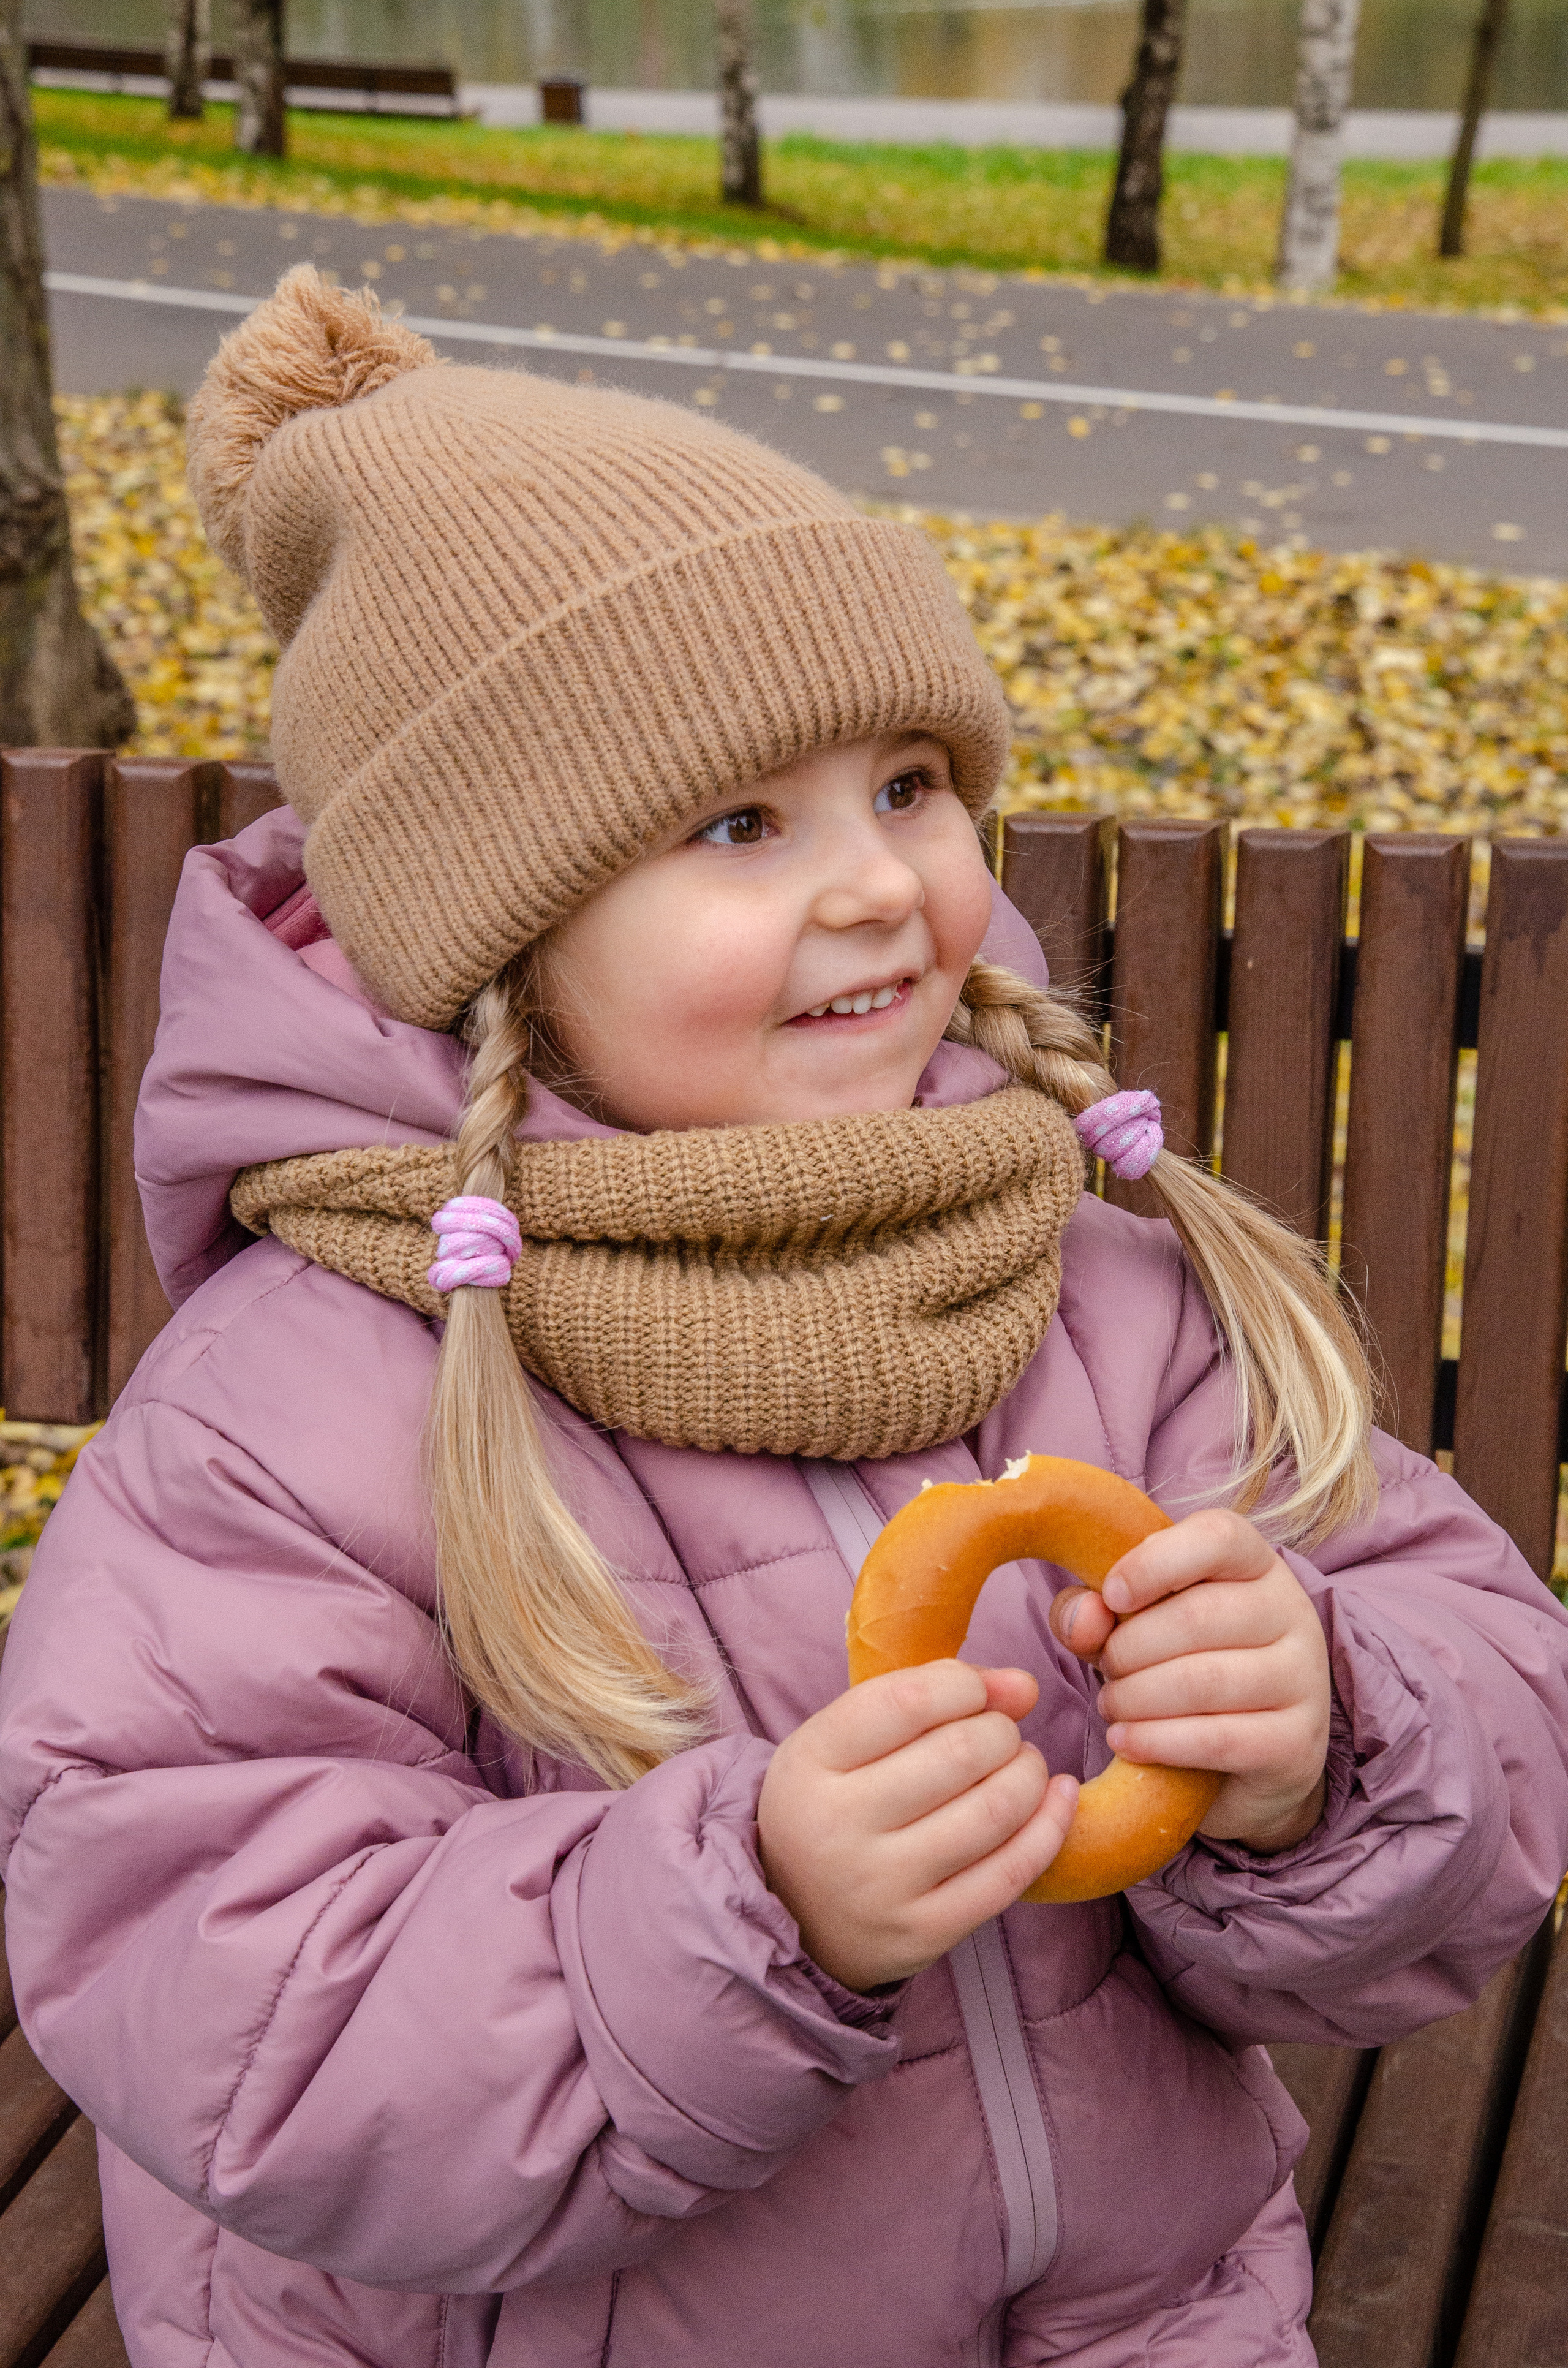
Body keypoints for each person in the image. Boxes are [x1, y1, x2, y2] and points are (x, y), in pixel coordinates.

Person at [2, 267, 1566, 2368]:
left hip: (1141, 2321)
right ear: (507, 929)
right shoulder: (304, 1404)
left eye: (908, 782)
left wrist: (1333, 1743)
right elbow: (217, 1994)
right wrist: (744, 1914)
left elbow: (1494, 1703)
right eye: (743, 821)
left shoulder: (1096, 1277)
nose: (878, 886)